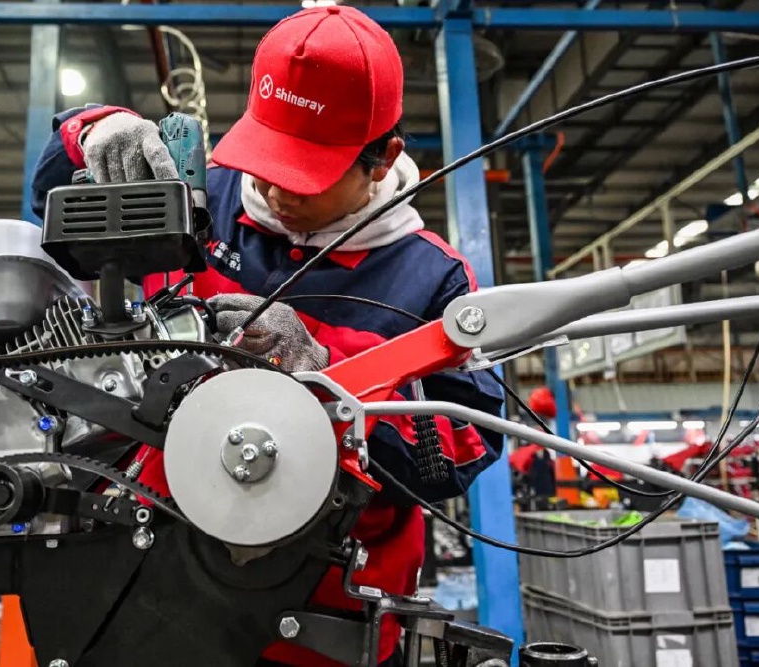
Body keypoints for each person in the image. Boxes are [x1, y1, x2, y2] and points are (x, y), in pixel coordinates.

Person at [30, 5, 505, 666]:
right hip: (150, 593)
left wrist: (326, 374)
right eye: (268, 156)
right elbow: (53, 206)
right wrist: (93, 131)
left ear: (382, 160)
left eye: (306, 172)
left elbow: (462, 448)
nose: (277, 189)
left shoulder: (432, 281)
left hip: (322, 623)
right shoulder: (199, 197)